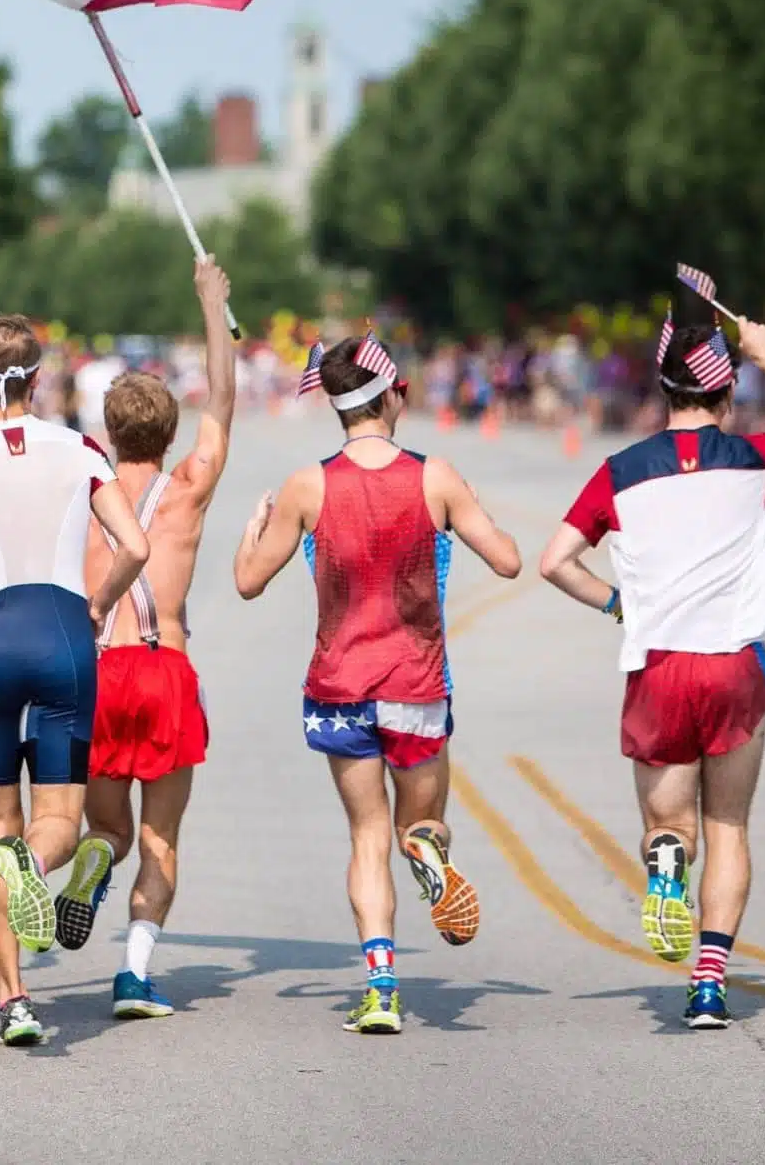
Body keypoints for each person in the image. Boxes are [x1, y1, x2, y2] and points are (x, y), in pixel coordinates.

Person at [539, 309, 765, 1030]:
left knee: (669, 824)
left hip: (659, 663)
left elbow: (554, 563)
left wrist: (617, 604)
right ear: (725, 396)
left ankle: (666, 862)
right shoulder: (753, 461)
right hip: (734, 665)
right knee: (729, 825)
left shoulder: (621, 473)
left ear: (662, 391)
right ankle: (709, 985)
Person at [233, 333, 522, 1036]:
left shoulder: (308, 484)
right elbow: (510, 562)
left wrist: (252, 534)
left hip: (338, 687)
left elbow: (247, 583)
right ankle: (426, 848)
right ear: (394, 395)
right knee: (417, 824)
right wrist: (469, 505)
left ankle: (382, 986)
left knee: (365, 836)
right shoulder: (436, 476)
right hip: (416, 685)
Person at [0, 315, 150, 1045]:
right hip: (61, 634)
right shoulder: (78, 448)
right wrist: (100, 603)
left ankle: (16, 999)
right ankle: (39, 864)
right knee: (57, 818)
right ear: (38, 376)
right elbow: (135, 545)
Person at [76, 260, 236, 1019]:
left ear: (108, 433)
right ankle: (134, 974)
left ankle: (93, 861)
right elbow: (225, 401)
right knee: (161, 838)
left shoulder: (84, 487)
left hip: (99, 669)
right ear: (169, 434)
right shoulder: (190, 488)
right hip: (164, 667)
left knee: (105, 826)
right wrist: (212, 305)